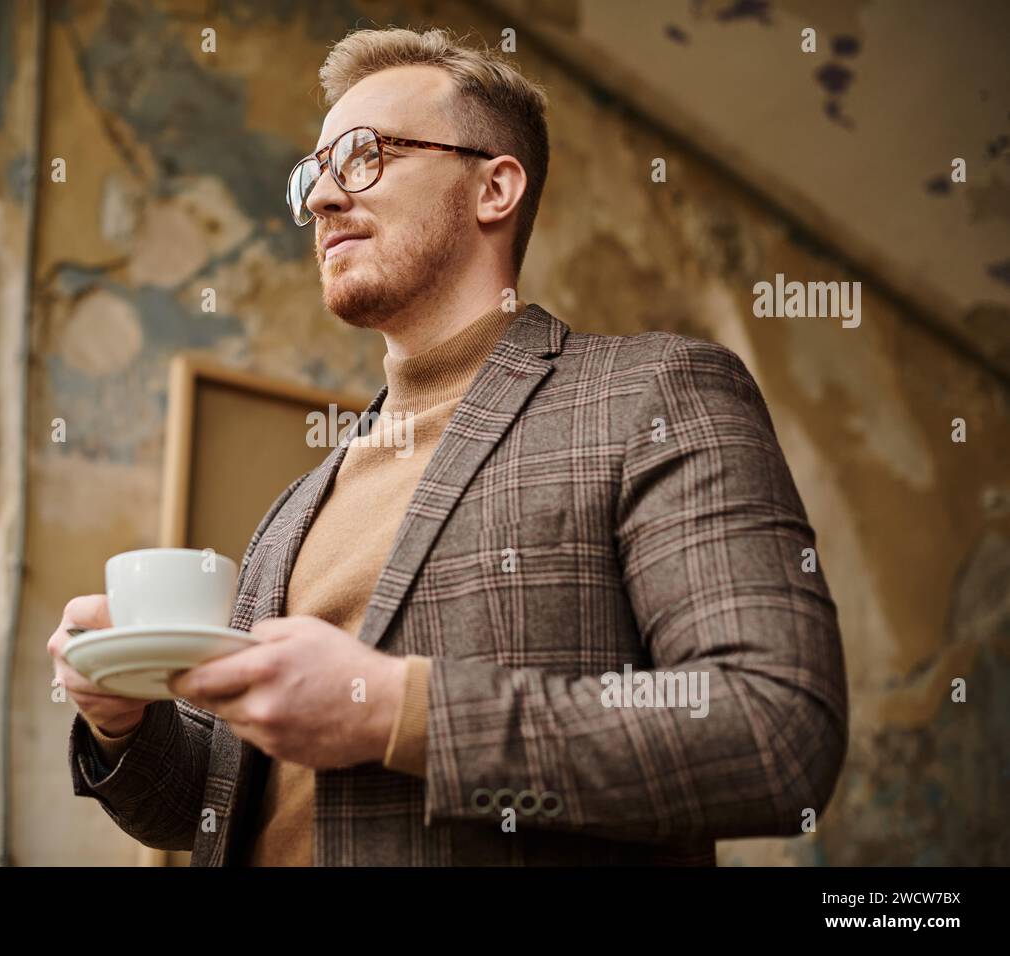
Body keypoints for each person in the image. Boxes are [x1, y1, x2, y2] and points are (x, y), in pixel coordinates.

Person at [48, 26, 848, 866]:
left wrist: (393, 709)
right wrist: (121, 722)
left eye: (364, 156)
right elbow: (207, 808)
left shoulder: (651, 393)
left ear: (494, 188)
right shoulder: (297, 507)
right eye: (313, 174)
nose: (322, 199)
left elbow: (777, 734)